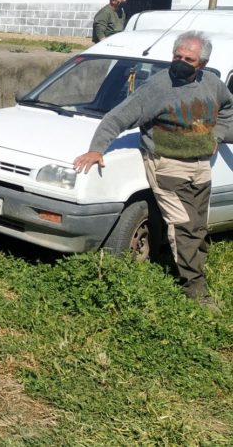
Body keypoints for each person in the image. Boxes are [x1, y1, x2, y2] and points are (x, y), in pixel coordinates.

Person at [73, 31, 232, 312]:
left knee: (197, 225)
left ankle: (192, 264)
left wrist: (217, 136)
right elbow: (118, 116)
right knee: (183, 226)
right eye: (177, 56)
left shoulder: (213, 84)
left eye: (188, 59)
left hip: (200, 165)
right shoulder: (157, 87)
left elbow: (228, 109)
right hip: (166, 164)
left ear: (202, 64)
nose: (180, 62)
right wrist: (97, 148)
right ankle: (195, 289)